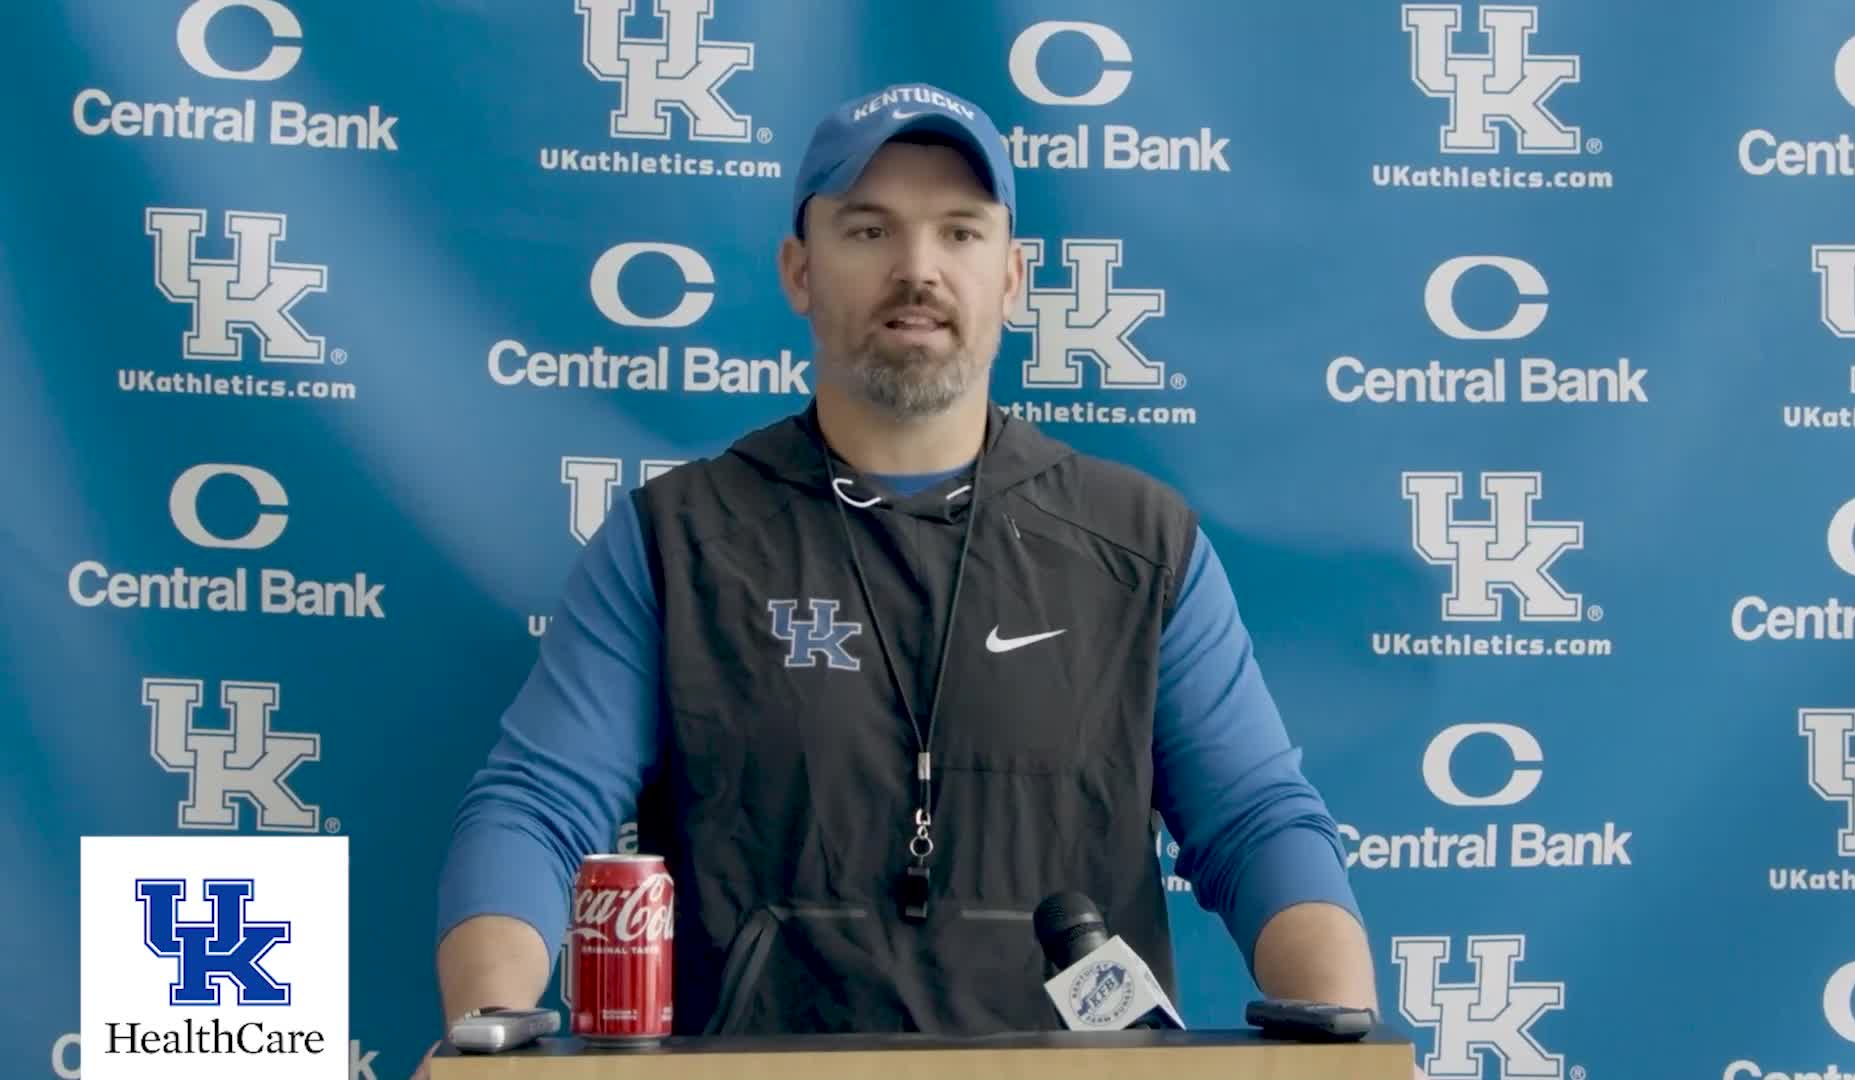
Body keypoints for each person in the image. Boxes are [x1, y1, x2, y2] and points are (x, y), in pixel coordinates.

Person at [427, 80, 1380, 1051]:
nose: (918, 270)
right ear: (800, 271)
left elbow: (1257, 822)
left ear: (1012, 277)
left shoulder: (1139, 541)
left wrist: (1348, 1047)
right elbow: (536, 809)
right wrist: (489, 1031)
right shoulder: (675, 539)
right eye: (870, 231)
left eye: (960, 233)